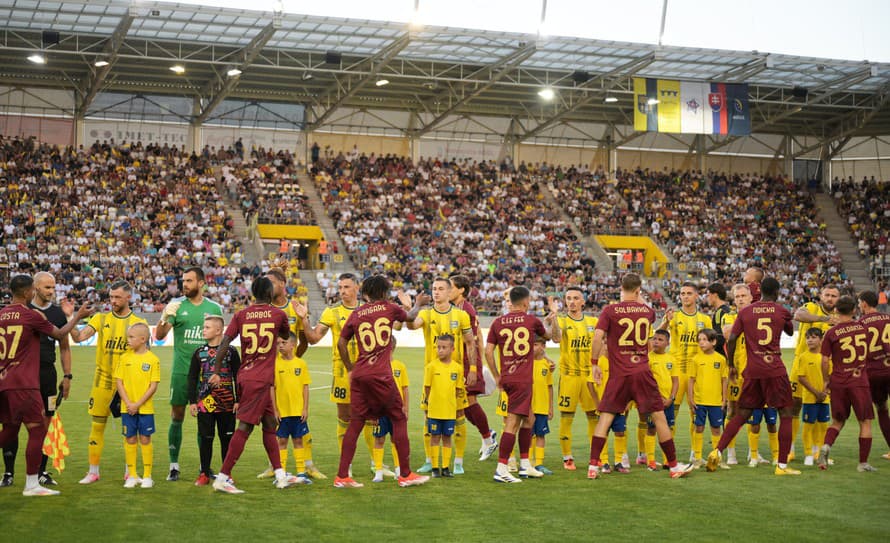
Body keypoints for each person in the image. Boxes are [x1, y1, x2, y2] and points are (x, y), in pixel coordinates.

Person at [588, 274, 692, 480]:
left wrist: (594, 364)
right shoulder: (647, 311)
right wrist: (639, 297)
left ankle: (593, 467)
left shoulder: (609, 311)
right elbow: (648, 318)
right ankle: (673, 466)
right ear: (638, 291)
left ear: (621, 288)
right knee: (659, 417)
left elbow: (598, 337)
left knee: (605, 418)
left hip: (619, 374)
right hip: (642, 371)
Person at [334, 275, 429, 488]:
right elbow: (411, 317)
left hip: (359, 374)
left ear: (365, 293)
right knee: (398, 418)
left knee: (356, 423)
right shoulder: (389, 307)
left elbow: (341, 342)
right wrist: (418, 304)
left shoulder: (357, 313)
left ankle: (342, 476)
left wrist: (350, 368)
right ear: (385, 292)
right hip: (381, 374)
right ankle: (405, 474)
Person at [0, 274, 91, 496]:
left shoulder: (2, 314)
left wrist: (67, 375)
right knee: (38, 428)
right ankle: (32, 484)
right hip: (24, 383)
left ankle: (32, 478)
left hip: (5, 381)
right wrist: (77, 315)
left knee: (10, 430)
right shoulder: (31, 315)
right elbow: (60, 334)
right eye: (34, 289)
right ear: (26, 292)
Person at [208, 277, 301, 493]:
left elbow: (225, 342)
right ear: (270, 294)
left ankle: (280, 475)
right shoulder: (278, 314)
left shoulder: (241, 315)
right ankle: (222, 477)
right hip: (260, 379)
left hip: (247, 375)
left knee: (270, 425)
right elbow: (286, 335)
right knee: (245, 427)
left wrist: (216, 370)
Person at [707, 277, 799, 476]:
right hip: (774, 368)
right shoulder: (781, 310)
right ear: (776, 293)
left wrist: (731, 364)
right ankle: (781, 465)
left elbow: (731, 340)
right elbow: (790, 332)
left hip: (752, 369)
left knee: (742, 413)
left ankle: (716, 451)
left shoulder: (746, 312)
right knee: (785, 414)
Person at [65, 280, 147, 485]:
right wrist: (71, 316)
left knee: (129, 428)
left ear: (129, 297)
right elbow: (79, 337)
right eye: (111, 297)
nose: (113, 301)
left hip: (127, 384)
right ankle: (93, 471)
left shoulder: (138, 323)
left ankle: (130, 471)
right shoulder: (100, 319)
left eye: (117, 297)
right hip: (103, 381)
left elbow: (145, 356)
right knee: (97, 425)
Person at [297, 273, 373, 473]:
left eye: (347, 287)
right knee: (344, 417)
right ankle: (345, 466)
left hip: (367, 372)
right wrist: (304, 319)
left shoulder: (368, 311)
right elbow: (313, 338)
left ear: (357, 288)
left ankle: (378, 464)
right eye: (340, 288)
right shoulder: (332, 312)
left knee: (372, 417)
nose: (343, 291)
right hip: (342, 373)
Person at [154, 267, 223, 482]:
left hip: (206, 375)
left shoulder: (214, 308)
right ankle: (174, 465)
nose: (185, 284)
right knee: (177, 416)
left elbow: (219, 340)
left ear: (201, 283)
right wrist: (165, 315)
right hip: (181, 372)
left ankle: (205, 466)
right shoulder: (177, 307)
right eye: (183, 281)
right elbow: (159, 336)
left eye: (190, 281)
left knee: (205, 420)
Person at [401, 277, 476, 475]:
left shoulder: (460, 315)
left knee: (459, 416)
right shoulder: (426, 313)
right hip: (432, 375)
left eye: (441, 289)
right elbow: (411, 325)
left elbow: (470, 342)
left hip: (455, 375)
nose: (436, 292)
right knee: (429, 418)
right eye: (434, 288)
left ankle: (458, 461)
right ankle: (429, 460)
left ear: (449, 291)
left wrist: (474, 369)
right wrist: (413, 306)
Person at [485, 286, 558, 483]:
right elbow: (549, 336)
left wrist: (497, 375)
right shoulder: (531, 321)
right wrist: (551, 319)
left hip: (508, 378)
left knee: (530, 419)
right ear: (526, 302)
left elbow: (488, 351)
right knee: (513, 422)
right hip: (522, 379)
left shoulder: (498, 322)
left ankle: (525, 465)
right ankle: (502, 468)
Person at [257, 267, 323, 480]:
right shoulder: (262, 309)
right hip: (270, 372)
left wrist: (294, 358)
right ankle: (273, 465)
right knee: (271, 420)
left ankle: (309, 465)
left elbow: (307, 341)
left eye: (271, 282)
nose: (267, 287)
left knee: (300, 419)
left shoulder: (295, 308)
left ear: (282, 284)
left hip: (291, 371)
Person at [818, 295, 876, 472]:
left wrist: (827, 380)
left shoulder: (831, 333)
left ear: (836, 310)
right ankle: (862, 463)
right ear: (853, 310)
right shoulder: (863, 328)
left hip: (838, 382)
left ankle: (826, 447)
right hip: (859, 381)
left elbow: (824, 361)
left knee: (837, 421)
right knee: (865, 422)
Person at [449, 275, 497, 463]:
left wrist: (474, 365)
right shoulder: (458, 309)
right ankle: (488, 434)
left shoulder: (466, 309)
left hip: (468, 361)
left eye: (451, 287)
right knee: (463, 404)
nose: (448, 290)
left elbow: (473, 339)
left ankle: (487, 438)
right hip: (461, 361)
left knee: (469, 399)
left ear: (461, 290)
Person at [187, 315, 240, 486]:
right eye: (204, 327)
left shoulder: (231, 352)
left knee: (227, 440)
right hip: (205, 403)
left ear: (219, 330)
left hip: (227, 403)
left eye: (207, 327)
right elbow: (192, 378)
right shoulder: (199, 352)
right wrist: (193, 402)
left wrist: (239, 400)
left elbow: (238, 377)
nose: (203, 330)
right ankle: (204, 473)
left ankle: (227, 474)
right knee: (206, 438)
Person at [551, 286, 599, 471]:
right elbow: (555, 339)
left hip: (589, 377)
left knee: (593, 416)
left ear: (582, 302)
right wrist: (554, 317)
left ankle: (596, 457)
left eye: (575, 298)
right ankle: (567, 457)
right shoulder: (562, 321)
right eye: (568, 298)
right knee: (566, 417)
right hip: (569, 376)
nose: (571, 301)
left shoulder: (592, 321)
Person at [791, 284, 840, 461]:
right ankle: (791, 449)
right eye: (827, 295)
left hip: (824, 367)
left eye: (834, 296)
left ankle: (818, 450)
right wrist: (823, 319)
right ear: (821, 296)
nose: (830, 298)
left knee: (821, 409)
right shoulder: (812, 307)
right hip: (802, 363)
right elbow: (798, 315)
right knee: (794, 406)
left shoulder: (839, 318)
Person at [659, 282, 710, 438]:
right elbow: (659, 335)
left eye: (689, 293)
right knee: (670, 415)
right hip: (676, 372)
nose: (685, 296)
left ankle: (695, 455)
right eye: (682, 294)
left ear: (696, 296)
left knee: (695, 413)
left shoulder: (705, 319)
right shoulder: (673, 316)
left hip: (696, 372)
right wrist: (667, 321)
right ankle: (671, 457)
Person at [115, 323, 160, 489]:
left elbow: (153, 386)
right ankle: (132, 475)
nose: (128, 340)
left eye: (132, 337)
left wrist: (137, 404)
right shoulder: (124, 358)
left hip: (145, 408)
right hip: (127, 408)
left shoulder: (153, 359)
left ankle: (148, 476)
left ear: (143, 339)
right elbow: (119, 382)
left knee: (145, 439)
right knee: (130, 438)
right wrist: (128, 403)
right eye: (128, 336)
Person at [272, 333, 312, 484]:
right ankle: (281, 473)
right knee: (281, 440)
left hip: (298, 411)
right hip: (282, 412)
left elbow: (305, 387)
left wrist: (305, 409)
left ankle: (301, 472)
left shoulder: (301, 364)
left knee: (298, 440)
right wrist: (275, 410)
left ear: (293, 345)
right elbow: (272, 388)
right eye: (278, 343)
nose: (280, 345)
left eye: (284, 342)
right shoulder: (275, 364)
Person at [423, 334, 464, 478]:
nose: (440, 350)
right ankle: (435, 468)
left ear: (452, 349)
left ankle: (445, 467)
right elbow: (427, 388)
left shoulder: (457, 368)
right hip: (434, 410)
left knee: (447, 437)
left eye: (443, 347)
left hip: (449, 411)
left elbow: (459, 389)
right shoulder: (431, 367)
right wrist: (430, 404)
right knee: (435, 437)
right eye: (438, 347)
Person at [720, 284, 752, 466]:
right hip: (734, 369)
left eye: (743, 296)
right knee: (732, 410)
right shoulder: (729, 316)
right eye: (737, 296)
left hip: (753, 370)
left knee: (753, 411)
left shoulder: (756, 314)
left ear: (750, 297)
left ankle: (753, 453)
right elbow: (727, 332)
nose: (740, 299)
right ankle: (731, 452)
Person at [857, 291, 890, 460]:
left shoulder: (861, 323)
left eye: (859, 303)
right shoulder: (888, 318)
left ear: (864, 303)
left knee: (882, 409)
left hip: (875, 371)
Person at [688, 329, 728, 468]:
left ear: (713, 342)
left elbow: (724, 380)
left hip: (716, 401)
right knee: (699, 428)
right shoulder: (696, 359)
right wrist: (691, 399)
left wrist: (724, 399)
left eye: (704, 339)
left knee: (716, 429)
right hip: (699, 401)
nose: (701, 343)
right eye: (699, 340)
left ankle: (716, 458)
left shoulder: (721, 359)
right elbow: (691, 380)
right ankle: (697, 458)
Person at [372, 344, 409, 483]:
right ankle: (378, 471)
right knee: (379, 439)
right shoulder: (375, 367)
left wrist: (406, 407)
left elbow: (405, 388)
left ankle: (398, 470)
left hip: (396, 410)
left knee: (396, 439)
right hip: (380, 410)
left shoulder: (400, 366)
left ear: (392, 348)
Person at [645, 330, 678, 471]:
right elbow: (647, 381)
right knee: (651, 428)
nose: (656, 342)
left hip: (668, 401)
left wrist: (671, 398)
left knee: (668, 428)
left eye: (660, 339)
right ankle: (650, 460)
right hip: (653, 400)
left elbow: (675, 381)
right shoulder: (647, 359)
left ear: (667, 343)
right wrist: (658, 397)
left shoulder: (671, 359)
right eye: (654, 339)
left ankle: (667, 460)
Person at [796, 328, 828, 466]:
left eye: (814, 337)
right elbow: (801, 378)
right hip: (810, 398)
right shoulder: (803, 356)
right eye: (808, 337)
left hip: (825, 398)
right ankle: (808, 454)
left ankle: (820, 454)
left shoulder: (826, 357)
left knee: (823, 426)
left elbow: (830, 376)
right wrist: (816, 393)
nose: (810, 340)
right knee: (808, 426)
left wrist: (824, 392)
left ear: (821, 340)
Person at [530, 334, 554, 475]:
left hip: (542, 406)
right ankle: (527, 462)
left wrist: (550, 407)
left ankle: (539, 463)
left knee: (540, 435)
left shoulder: (547, 365)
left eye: (537, 345)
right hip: (529, 407)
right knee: (528, 434)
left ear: (543, 347)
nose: (534, 348)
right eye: (533, 345)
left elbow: (549, 386)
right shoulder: (527, 363)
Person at [706, 283, 733, 356]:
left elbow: (719, 337)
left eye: (708, 295)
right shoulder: (728, 310)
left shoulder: (720, 312)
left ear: (715, 295)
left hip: (722, 355)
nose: (707, 298)